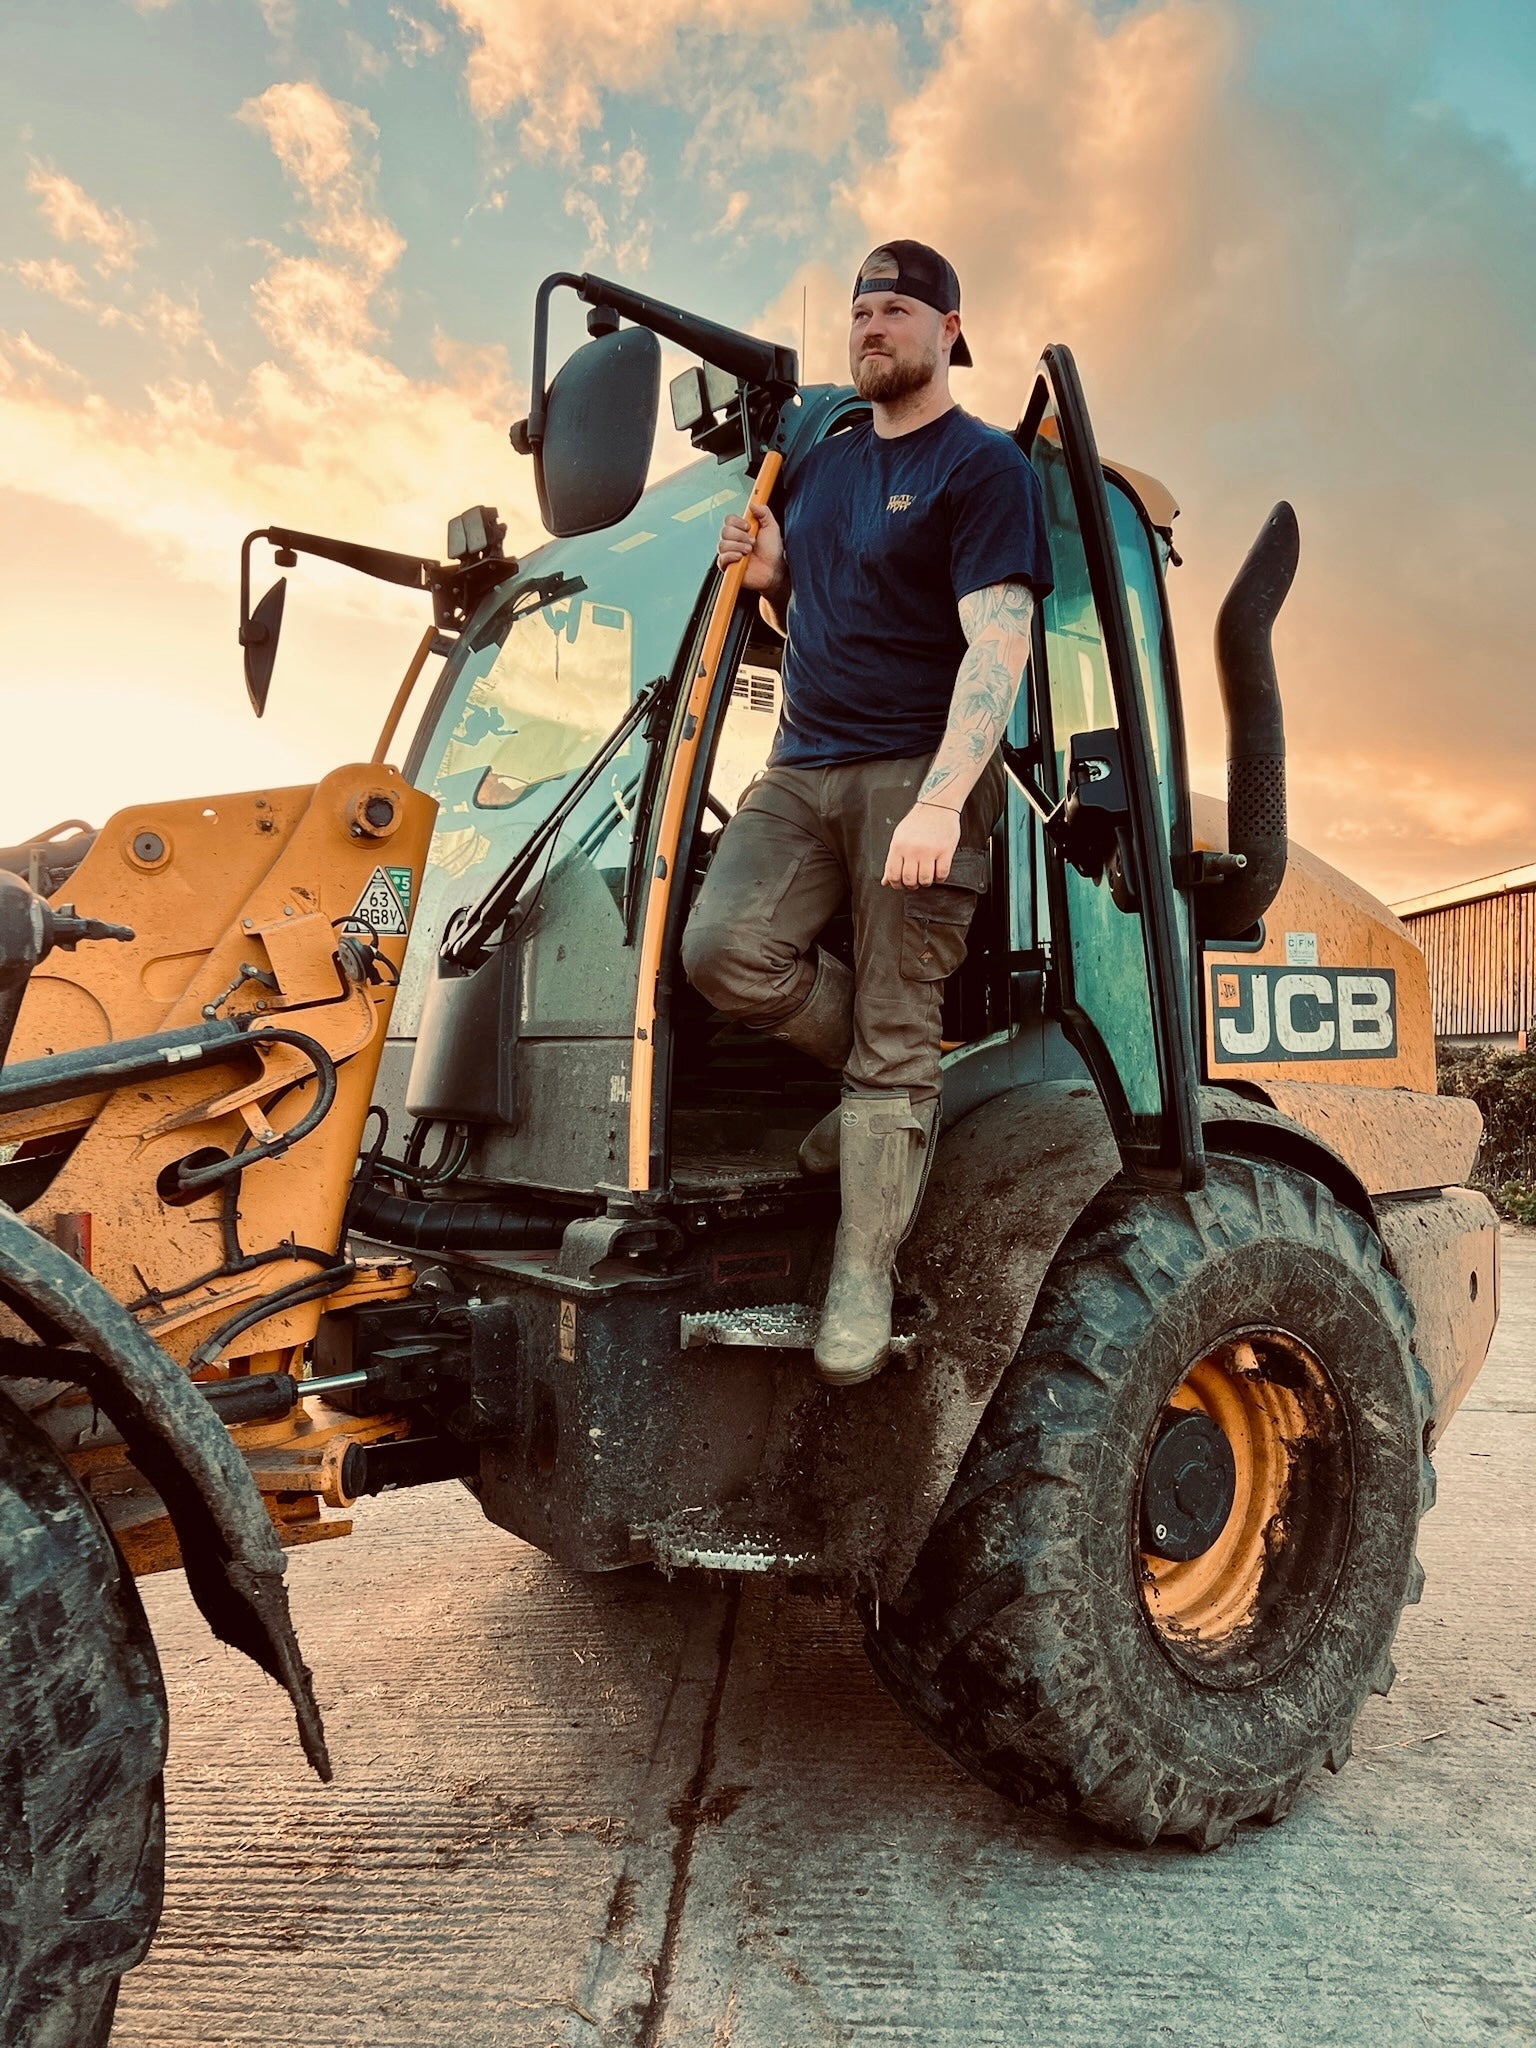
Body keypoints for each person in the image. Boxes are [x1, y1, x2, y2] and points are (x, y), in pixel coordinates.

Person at [681, 241, 1053, 1388]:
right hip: (802, 763)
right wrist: (772, 570)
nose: (872, 329)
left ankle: (861, 1271)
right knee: (723, 948)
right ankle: (885, 1092)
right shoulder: (826, 471)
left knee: (898, 1020)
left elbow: (999, 639)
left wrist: (944, 796)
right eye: (862, 313)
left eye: (895, 310)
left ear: (950, 327)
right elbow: (809, 622)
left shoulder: (985, 467)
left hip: (915, 769)